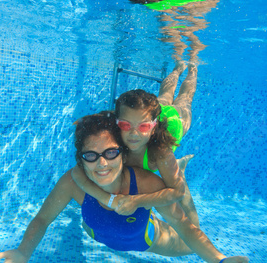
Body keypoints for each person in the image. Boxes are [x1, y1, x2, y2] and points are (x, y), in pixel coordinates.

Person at [0, 112, 263, 263]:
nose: (102, 163)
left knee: (192, 225)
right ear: (80, 159)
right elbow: (42, 219)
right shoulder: (72, 182)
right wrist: (23, 252)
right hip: (98, 231)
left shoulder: (146, 183)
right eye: (91, 155)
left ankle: (180, 174)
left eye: (110, 153)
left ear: (122, 152)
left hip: (147, 239)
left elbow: (185, 229)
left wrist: (219, 262)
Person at [72, 63, 201, 226]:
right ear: (119, 123)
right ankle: (177, 69)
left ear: (153, 128)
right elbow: (77, 172)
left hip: (172, 124)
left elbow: (178, 191)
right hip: (146, 116)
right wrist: (88, 121)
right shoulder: (119, 132)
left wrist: (137, 201)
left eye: (144, 127)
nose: (133, 134)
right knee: (165, 95)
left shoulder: (159, 151)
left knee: (185, 98)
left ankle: (192, 68)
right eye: (125, 125)